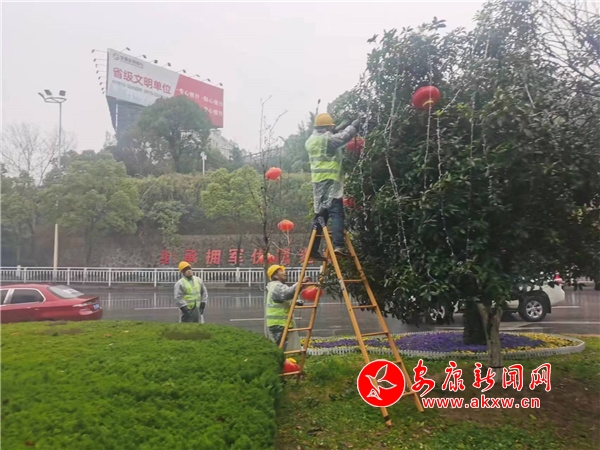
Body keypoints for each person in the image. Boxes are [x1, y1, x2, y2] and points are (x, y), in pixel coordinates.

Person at [305, 113, 360, 260]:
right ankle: (338, 245)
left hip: (318, 182)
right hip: (330, 180)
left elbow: (328, 136)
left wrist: (338, 127)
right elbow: (343, 138)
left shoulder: (311, 141)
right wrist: (353, 126)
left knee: (320, 215)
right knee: (336, 213)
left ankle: (312, 249)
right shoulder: (327, 140)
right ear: (327, 128)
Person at [265, 264, 311, 349]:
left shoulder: (276, 286)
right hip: (278, 323)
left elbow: (283, 299)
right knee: (281, 348)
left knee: (283, 347)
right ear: (275, 275)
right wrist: (300, 282)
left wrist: (296, 300)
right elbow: (288, 293)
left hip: (279, 323)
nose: (284, 273)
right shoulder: (276, 286)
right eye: (281, 271)